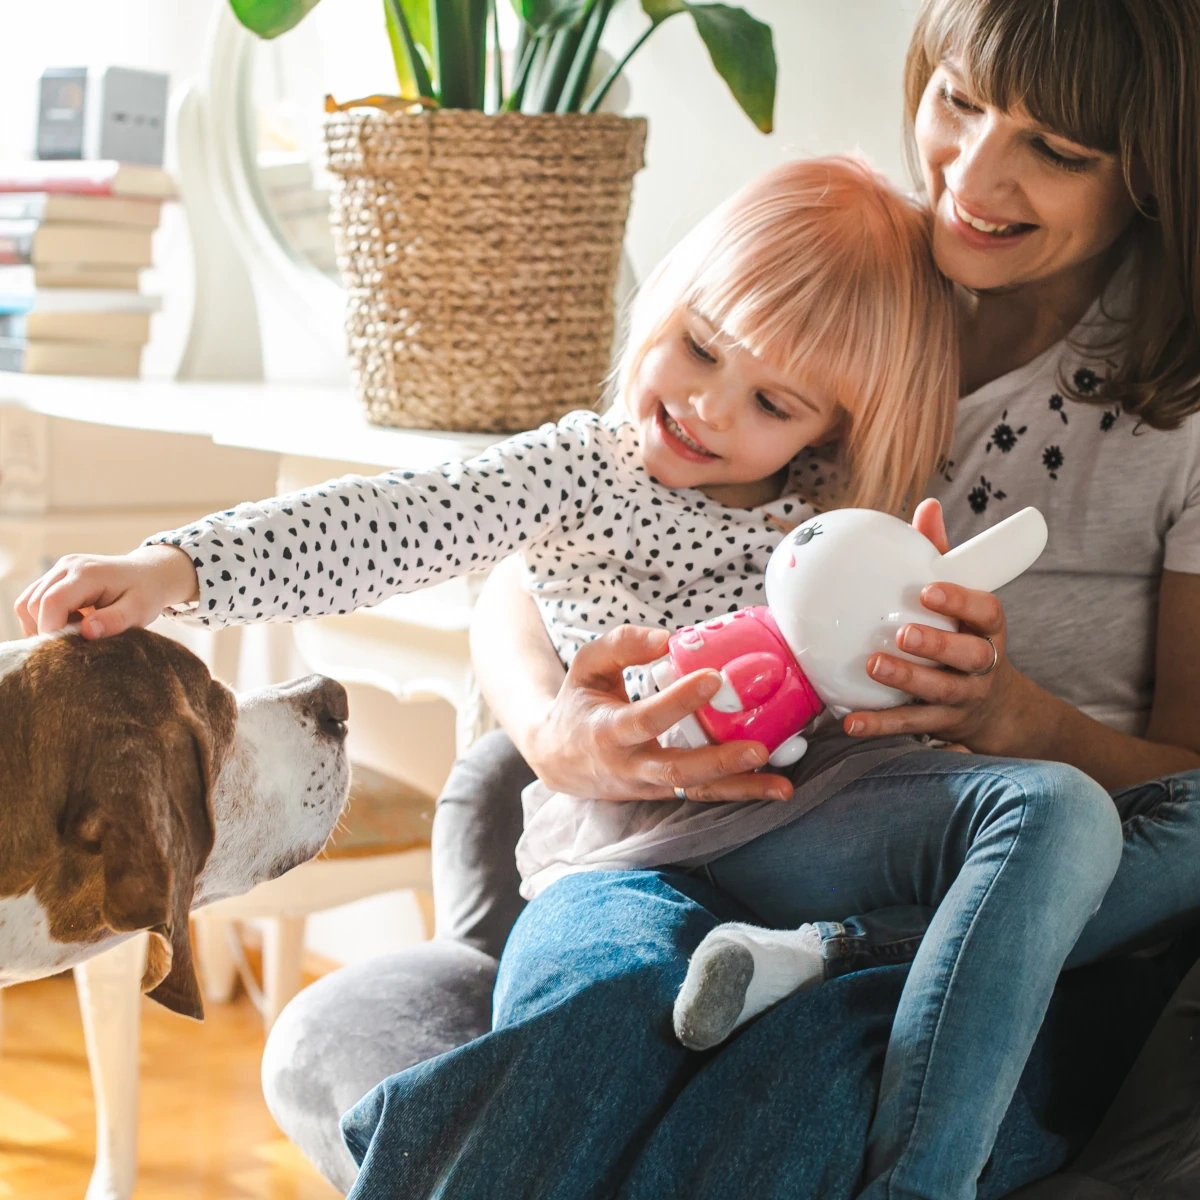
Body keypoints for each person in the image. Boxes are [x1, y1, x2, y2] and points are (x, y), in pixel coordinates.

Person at [329, 0, 1200, 1197]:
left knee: (804, 1080)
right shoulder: (840, 281)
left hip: (992, 890)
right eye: (957, 101)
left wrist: (1010, 718)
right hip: (749, 829)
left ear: (1149, 172)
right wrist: (550, 730)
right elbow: (551, 549)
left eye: (1055, 150)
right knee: (640, 1011)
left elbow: (1187, 787)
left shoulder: (1175, 415)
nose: (972, 175)